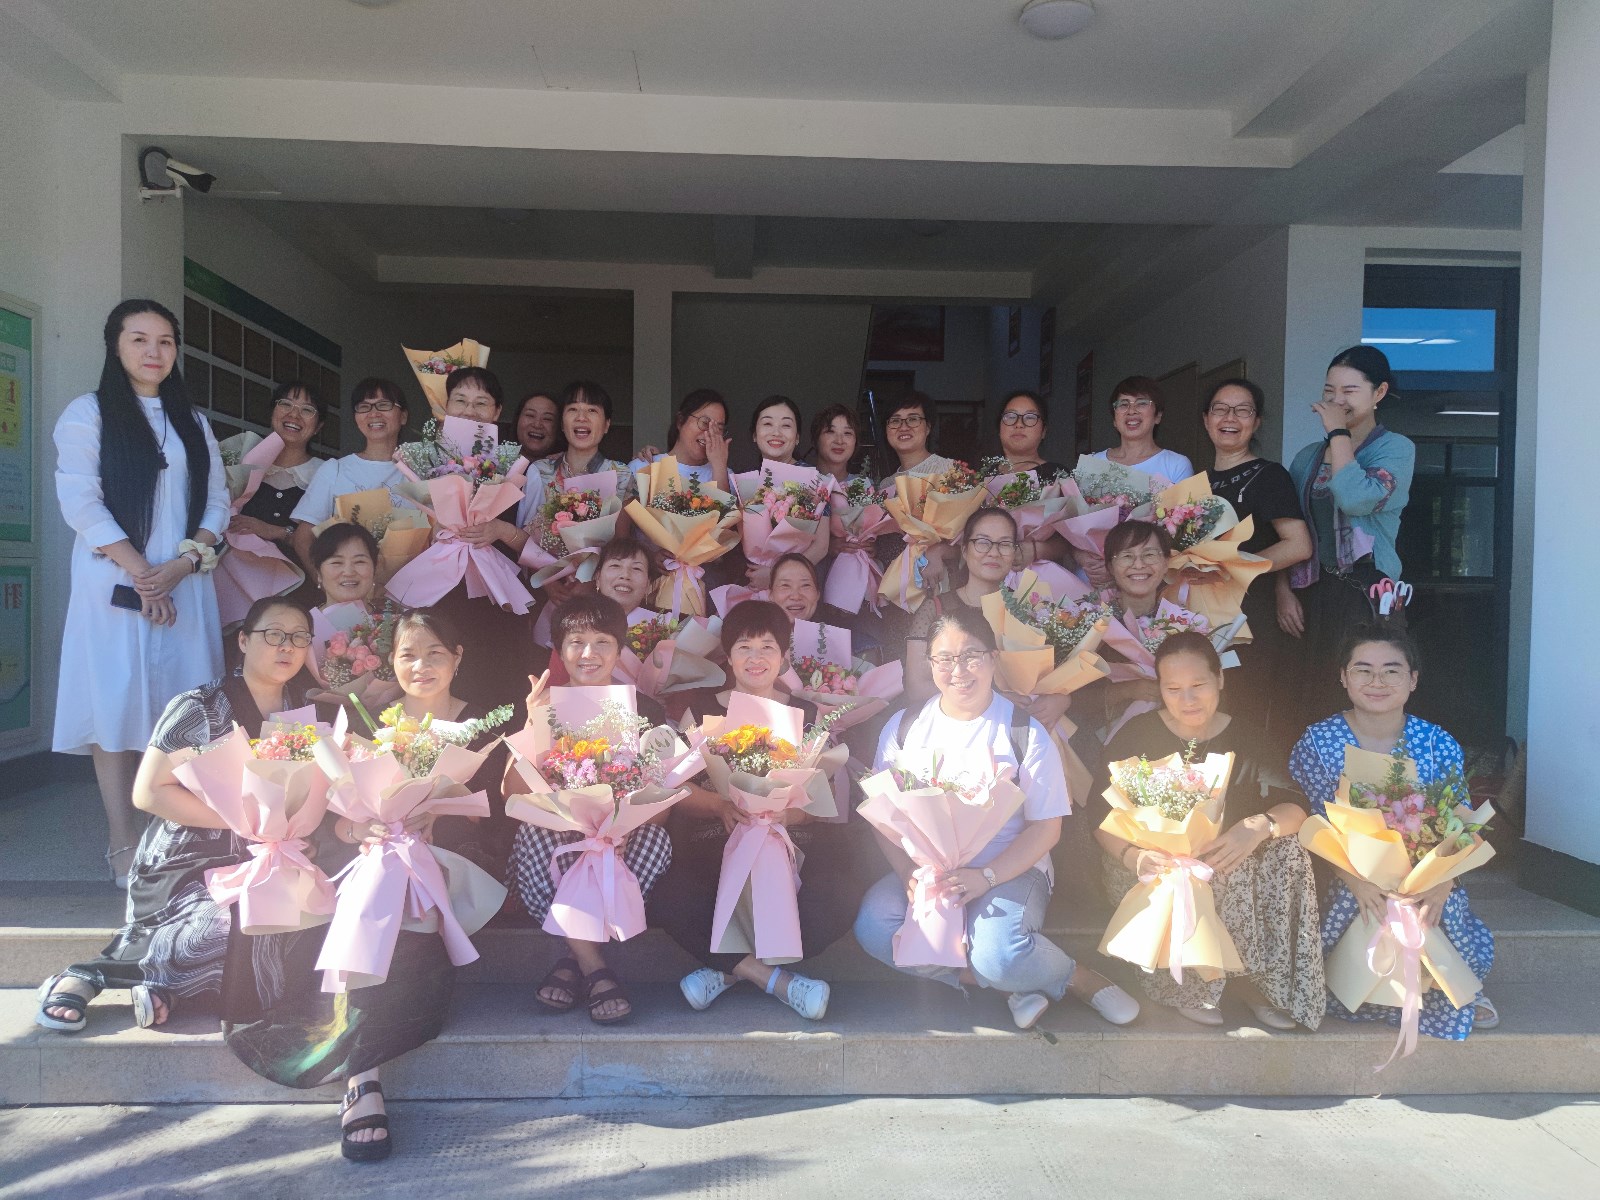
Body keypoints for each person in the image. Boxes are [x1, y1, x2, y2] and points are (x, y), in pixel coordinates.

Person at [220, 608, 496, 1163]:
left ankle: (362, 1073)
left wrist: (435, 820)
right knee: (344, 912)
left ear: (458, 658)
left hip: (444, 876)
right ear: (391, 662)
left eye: (435, 654)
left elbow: (495, 819)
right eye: (408, 655)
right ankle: (362, 1079)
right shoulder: (366, 723)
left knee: (398, 930)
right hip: (364, 866)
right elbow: (328, 815)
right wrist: (358, 829)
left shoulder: (482, 727)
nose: (422, 666)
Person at [35, 596, 314, 1034]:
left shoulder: (303, 709)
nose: (286, 646)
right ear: (243, 641)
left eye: (299, 637)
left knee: (292, 921)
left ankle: (167, 990)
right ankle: (86, 975)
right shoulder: (199, 705)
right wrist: (242, 821)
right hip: (187, 860)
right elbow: (148, 792)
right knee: (224, 925)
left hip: (265, 857)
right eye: (274, 634)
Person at [853, 607, 1139, 1029]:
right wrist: (907, 873)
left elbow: (1046, 828)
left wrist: (985, 878)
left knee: (999, 954)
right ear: (929, 663)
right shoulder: (905, 726)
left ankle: (1076, 978)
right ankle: (1002, 984)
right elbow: (884, 816)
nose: (958, 670)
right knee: (875, 928)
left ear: (992, 659)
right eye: (944, 658)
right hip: (930, 870)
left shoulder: (1023, 731)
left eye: (971, 656)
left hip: (1009, 868)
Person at [53, 299, 230, 888]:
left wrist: (182, 564)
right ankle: (122, 841)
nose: (154, 352)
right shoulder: (88, 413)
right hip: (112, 582)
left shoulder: (191, 421)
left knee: (183, 708)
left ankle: (178, 836)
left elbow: (217, 502)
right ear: (115, 346)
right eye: (139, 339)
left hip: (184, 583)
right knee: (115, 704)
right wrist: (142, 573)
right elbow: (81, 502)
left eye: (165, 341)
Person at [1093, 633, 1324, 1029]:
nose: (1188, 699)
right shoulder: (1138, 735)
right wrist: (1135, 856)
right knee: (1194, 873)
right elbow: (1100, 816)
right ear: (1160, 689)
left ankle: (1260, 986)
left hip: (1228, 862)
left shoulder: (1247, 735)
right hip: (1151, 869)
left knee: (1285, 851)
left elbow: (1295, 806)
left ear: (1220, 679)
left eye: (1198, 685)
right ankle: (1193, 988)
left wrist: (1258, 826)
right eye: (1173, 689)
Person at [652, 601, 864, 1020]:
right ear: (728, 656)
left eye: (767, 647)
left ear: (783, 657)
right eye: (744, 647)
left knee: (839, 896)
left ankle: (729, 972)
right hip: (717, 843)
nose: (756, 657)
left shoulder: (804, 714)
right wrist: (718, 804)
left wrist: (792, 816)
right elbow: (673, 784)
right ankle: (778, 982)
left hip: (789, 845)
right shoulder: (702, 711)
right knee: (670, 896)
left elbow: (824, 798)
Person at [1289, 625, 1497, 1039]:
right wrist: (1357, 881)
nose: (1377, 681)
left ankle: (1453, 987)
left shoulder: (1437, 742)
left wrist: (1443, 880)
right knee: (1359, 907)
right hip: (1351, 874)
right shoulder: (1318, 741)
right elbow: (1317, 827)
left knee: (1437, 905)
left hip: (1427, 875)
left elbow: (1463, 823)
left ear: (1413, 679)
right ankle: (1364, 991)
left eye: (1392, 670)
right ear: (1343, 677)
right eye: (1363, 670)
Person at [507, 596, 674, 1025]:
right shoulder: (545, 704)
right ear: (559, 650)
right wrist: (533, 723)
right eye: (576, 641)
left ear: (619, 650)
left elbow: (661, 807)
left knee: (656, 840)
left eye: (602, 642)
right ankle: (594, 968)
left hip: (623, 840)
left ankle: (571, 961)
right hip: (559, 836)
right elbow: (512, 793)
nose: (589, 653)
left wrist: (620, 828)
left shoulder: (646, 710)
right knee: (533, 836)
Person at [1285, 346, 1416, 727]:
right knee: (1309, 691)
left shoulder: (1396, 449)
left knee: (1366, 693)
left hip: (1368, 593)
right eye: (1330, 391)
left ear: (1379, 393)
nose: (1336, 401)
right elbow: (1288, 526)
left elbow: (1356, 498)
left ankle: (1368, 766)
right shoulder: (1307, 457)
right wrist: (1282, 591)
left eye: (1349, 391)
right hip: (1312, 588)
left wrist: (1338, 433)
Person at [416, 366, 541, 709]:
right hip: (440, 596)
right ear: (445, 407)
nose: (470, 411)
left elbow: (539, 547)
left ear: (497, 412)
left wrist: (499, 530)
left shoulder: (519, 468)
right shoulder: (423, 463)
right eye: (460, 400)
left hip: (498, 603)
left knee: (500, 692)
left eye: (481, 403)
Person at [1200, 378, 1312, 745]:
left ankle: (1246, 781)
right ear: (1206, 419)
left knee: (1244, 709)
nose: (1230, 418)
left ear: (1257, 421)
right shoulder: (1200, 482)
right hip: (1204, 614)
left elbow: (1298, 545)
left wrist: (1231, 567)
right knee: (1207, 709)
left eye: (1242, 410)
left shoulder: (1269, 476)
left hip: (1250, 616)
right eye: (1220, 409)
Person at [288, 378, 415, 566]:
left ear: (403, 416)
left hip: (411, 581)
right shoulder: (335, 469)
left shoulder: (421, 473)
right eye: (364, 407)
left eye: (383, 405)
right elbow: (303, 538)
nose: (373, 413)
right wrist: (325, 580)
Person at [904, 508, 1018, 706]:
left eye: (1005, 544)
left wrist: (1059, 698)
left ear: (1015, 553)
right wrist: (992, 700)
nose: (994, 552)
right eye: (982, 542)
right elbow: (917, 687)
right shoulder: (935, 609)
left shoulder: (1028, 609)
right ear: (964, 550)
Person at [227, 379, 326, 562]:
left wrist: (276, 531)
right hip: (233, 572)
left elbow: (332, 541)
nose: (294, 414)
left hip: (299, 576)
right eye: (286, 404)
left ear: (318, 426)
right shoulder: (244, 459)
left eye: (307, 410)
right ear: (272, 412)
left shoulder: (326, 474)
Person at [1090, 376, 1194, 484]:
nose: (1131, 411)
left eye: (1142, 403)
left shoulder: (1176, 465)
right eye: (1123, 404)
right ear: (1114, 420)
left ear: (1158, 416)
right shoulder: (1093, 463)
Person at [630, 387, 731, 490]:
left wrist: (719, 466)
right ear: (680, 421)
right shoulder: (643, 467)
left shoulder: (725, 476)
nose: (710, 433)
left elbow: (725, 501)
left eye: (719, 428)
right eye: (704, 423)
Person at [994, 389, 1070, 484]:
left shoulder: (1058, 475)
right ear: (999, 428)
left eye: (1030, 417)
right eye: (1011, 416)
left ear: (1043, 431)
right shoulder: (981, 478)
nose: (1019, 424)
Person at [510, 390, 560, 528]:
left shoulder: (564, 471)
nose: (537, 424)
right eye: (530, 415)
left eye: (547, 419)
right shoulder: (494, 464)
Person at [808, 403, 866, 486]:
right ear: (815, 439)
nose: (839, 441)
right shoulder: (798, 481)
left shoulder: (866, 487)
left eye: (847, 433)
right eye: (830, 431)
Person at [749, 394, 803, 466]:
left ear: (797, 437)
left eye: (786, 425)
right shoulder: (745, 473)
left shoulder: (811, 473)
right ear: (755, 435)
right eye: (768, 424)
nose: (776, 433)